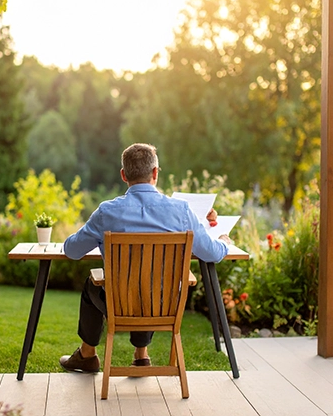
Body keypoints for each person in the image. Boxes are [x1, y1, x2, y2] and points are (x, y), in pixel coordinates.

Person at [59, 143, 233, 373]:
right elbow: (213, 253)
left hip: (119, 304)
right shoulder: (181, 211)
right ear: (155, 173)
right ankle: (141, 355)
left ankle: (87, 354)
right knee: (152, 283)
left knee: (94, 286)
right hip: (164, 304)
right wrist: (225, 242)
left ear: (123, 175)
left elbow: (71, 251)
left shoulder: (106, 212)